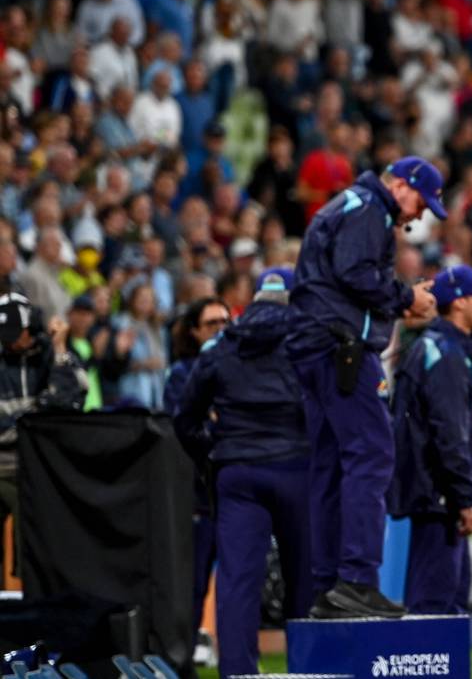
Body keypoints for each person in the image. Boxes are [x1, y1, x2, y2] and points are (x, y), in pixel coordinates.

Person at [288, 156, 443, 618]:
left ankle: (328, 587)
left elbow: (346, 276)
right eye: (421, 202)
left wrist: (397, 303)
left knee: (332, 466)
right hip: (342, 350)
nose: (418, 215)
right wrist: (406, 297)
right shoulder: (367, 209)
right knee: (372, 455)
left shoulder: (351, 204)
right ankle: (356, 579)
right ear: (400, 185)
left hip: (316, 346)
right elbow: (355, 273)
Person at [174, 269, 310, 677]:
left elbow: (185, 418)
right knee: (304, 582)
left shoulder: (222, 345)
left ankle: (238, 673)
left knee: (236, 584)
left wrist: (212, 455)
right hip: (296, 469)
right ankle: (308, 669)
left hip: (237, 473)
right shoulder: (307, 339)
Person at [387, 265, 472, 615]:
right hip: (439, 495)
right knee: (436, 603)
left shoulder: (434, 348)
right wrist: (463, 498)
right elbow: (449, 434)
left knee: (443, 597)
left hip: (431, 490)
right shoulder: (445, 355)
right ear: (459, 302)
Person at [0, 293, 86, 576]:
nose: (10, 341)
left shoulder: (53, 352)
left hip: (41, 465)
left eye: (16, 334)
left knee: (40, 539)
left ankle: (33, 602)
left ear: (32, 327)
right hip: (2, 467)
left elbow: (71, 402)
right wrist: (39, 411)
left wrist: (61, 348)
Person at [162, 296, 231, 650]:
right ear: (194, 332)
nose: (221, 330)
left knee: (237, 582)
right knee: (194, 584)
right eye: (211, 324)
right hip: (197, 494)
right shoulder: (182, 373)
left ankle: (235, 661)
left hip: (232, 490)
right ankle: (182, 657)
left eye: (225, 322)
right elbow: (184, 428)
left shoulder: (238, 364)